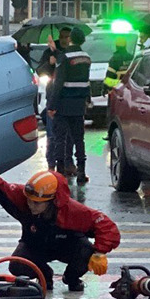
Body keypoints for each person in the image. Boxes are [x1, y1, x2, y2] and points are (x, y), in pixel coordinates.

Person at [0, 170, 120, 292]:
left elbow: (106, 226)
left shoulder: (74, 211)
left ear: (53, 201)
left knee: (87, 251)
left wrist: (100, 252)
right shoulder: (21, 198)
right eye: (29, 200)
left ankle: (72, 278)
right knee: (17, 265)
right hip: (34, 247)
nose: (30, 206)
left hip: (68, 248)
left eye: (36, 203)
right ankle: (44, 275)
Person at [41, 27, 91, 183]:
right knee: (79, 139)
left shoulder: (65, 57)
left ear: (71, 39)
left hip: (63, 104)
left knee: (60, 139)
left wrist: (51, 106)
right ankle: (81, 171)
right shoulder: (86, 57)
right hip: (79, 104)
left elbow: (58, 83)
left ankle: (60, 171)